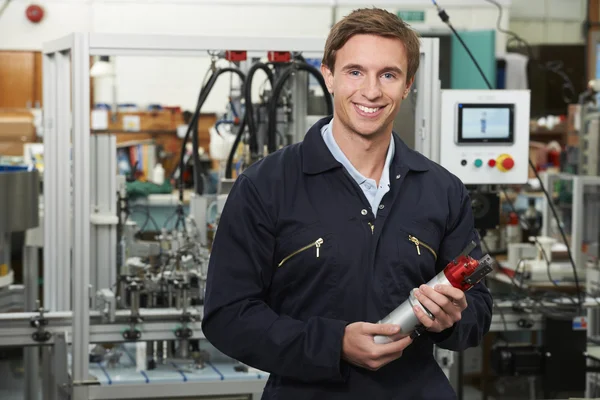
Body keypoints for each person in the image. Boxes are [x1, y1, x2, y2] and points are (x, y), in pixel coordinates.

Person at [202, 8, 493, 400]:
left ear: (407, 85)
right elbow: (227, 316)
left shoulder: (442, 190)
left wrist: (451, 319)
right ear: (328, 76)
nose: (370, 91)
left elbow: (478, 308)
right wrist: (333, 344)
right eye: (355, 71)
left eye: (388, 75)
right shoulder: (266, 186)